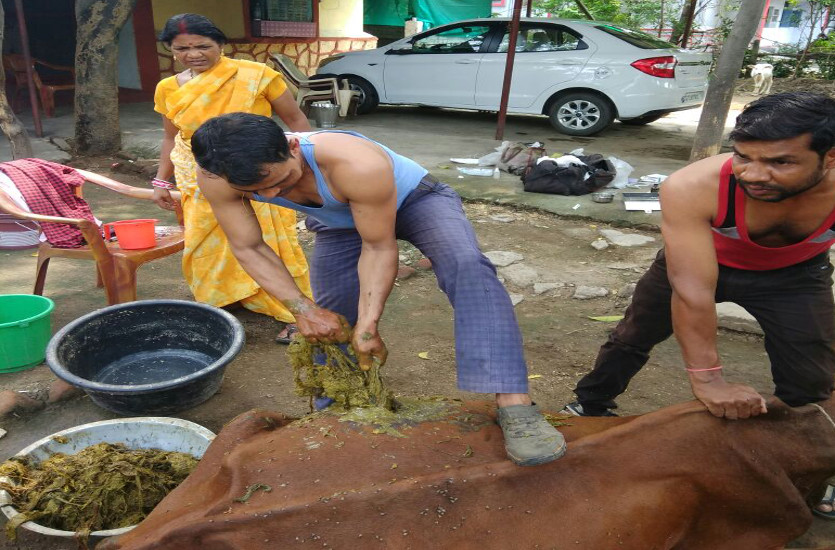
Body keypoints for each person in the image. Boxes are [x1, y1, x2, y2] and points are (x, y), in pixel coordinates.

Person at [188, 112, 566, 467]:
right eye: (256, 191)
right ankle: (338, 407)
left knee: (466, 265)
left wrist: (370, 325)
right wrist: (302, 309)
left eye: (278, 182)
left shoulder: (355, 163)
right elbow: (249, 246)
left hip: (417, 201)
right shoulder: (216, 176)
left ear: (291, 147)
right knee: (330, 316)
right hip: (340, 222)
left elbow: (379, 246)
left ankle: (515, 404)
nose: (270, 195)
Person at [563, 92, 835, 518]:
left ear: (830, 158)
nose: (754, 174)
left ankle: (806, 469)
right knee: (632, 336)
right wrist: (709, 381)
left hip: (795, 277)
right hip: (701, 263)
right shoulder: (693, 186)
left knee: (813, 376)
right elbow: (692, 291)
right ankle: (590, 403)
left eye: (780, 162)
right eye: (744, 157)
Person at [151, 13, 312, 343]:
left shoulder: (256, 75)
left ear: (221, 45)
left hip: (257, 170)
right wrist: (161, 181)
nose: (193, 54)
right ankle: (224, 298)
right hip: (199, 172)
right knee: (206, 241)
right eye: (182, 48)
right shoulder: (167, 88)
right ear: (170, 49)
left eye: (203, 46)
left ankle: (295, 311)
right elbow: (171, 137)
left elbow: (295, 119)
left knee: (269, 238)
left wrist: (307, 167)